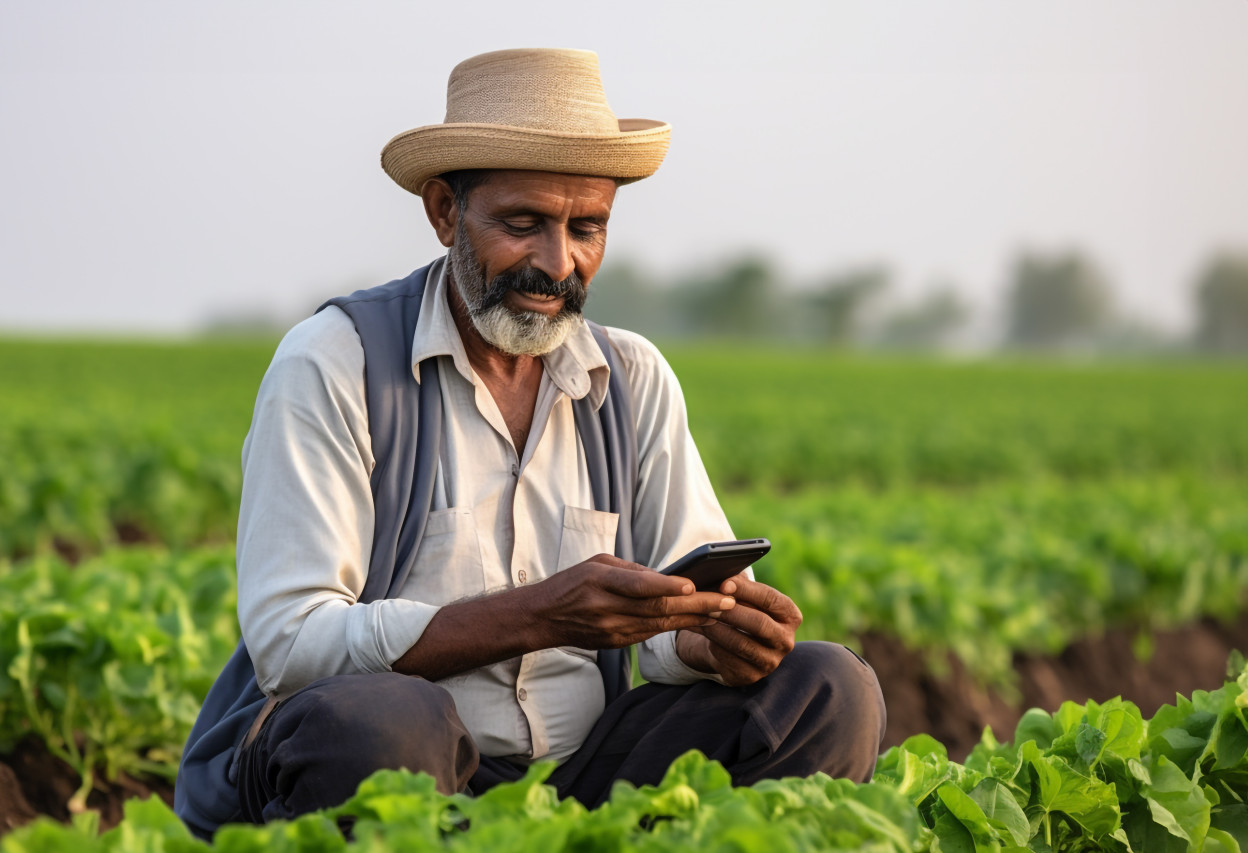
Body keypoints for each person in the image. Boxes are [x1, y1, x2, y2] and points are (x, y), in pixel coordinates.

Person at [175, 47, 885, 838]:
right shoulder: (336, 362)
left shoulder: (632, 377)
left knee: (829, 689)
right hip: (413, 772)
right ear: (445, 212)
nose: (559, 263)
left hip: (583, 780)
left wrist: (712, 638)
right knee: (376, 722)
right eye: (523, 224)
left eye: (588, 228)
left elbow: (671, 636)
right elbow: (291, 645)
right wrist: (539, 615)